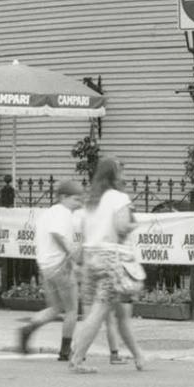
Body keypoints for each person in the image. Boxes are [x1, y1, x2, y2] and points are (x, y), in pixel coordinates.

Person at [67, 157, 146, 374]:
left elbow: (83, 234)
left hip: (91, 257)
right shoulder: (119, 198)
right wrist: (135, 223)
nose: (124, 175)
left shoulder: (90, 202)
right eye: (121, 171)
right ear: (114, 175)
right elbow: (121, 228)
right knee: (100, 311)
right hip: (111, 258)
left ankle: (138, 356)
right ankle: (76, 359)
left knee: (117, 312)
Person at [17, 179, 84, 359]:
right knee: (71, 310)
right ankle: (65, 350)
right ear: (63, 197)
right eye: (76, 199)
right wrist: (73, 257)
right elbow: (57, 234)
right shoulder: (63, 213)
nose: (79, 203)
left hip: (46, 266)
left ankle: (28, 328)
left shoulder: (48, 213)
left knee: (55, 307)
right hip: (60, 266)